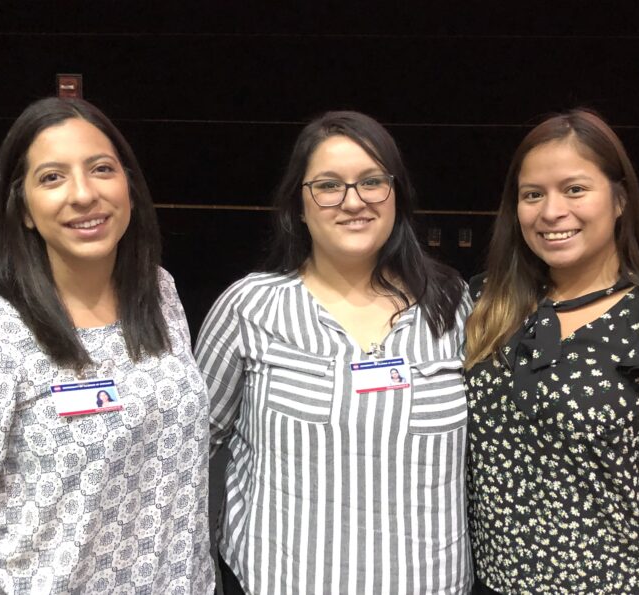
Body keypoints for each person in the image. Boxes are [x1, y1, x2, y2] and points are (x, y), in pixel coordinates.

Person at [0, 97, 213, 594]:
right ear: (23, 210)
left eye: (101, 169)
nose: (84, 194)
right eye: (52, 178)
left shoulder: (158, 293)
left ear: (129, 187)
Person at [196, 111, 472, 594]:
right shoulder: (250, 306)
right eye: (328, 186)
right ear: (298, 206)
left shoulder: (451, 304)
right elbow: (190, 447)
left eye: (371, 182)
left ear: (396, 195)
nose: (353, 201)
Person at [463, 109, 639, 594]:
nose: (551, 212)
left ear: (620, 199)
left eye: (574, 189)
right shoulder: (484, 307)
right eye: (532, 195)